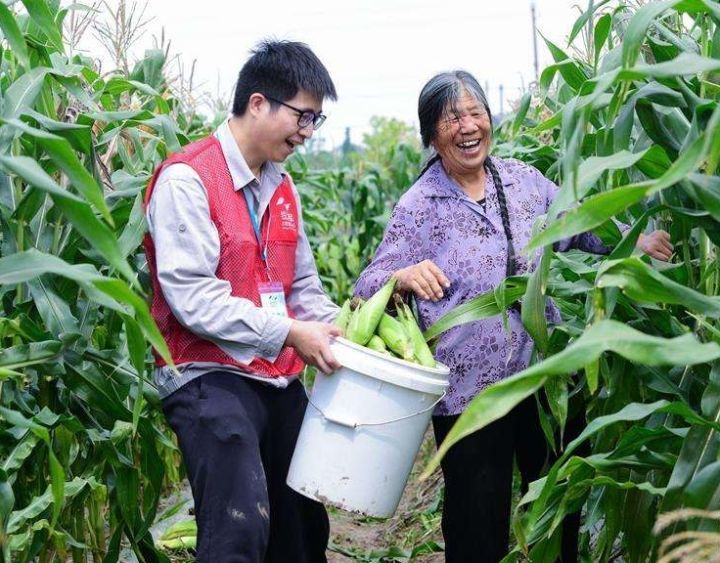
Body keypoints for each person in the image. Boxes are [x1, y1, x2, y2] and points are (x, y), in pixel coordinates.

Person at [353, 70, 673, 563]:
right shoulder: (420, 205)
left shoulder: (524, 181)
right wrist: (404, 276)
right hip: (469, 395)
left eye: (475, 112)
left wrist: (639, 241)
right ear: (431, 135)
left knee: (558, 504)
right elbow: (368, 285)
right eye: (451, 117)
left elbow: (582, 222)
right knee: (476, 520)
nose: (467, 126)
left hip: (543, 379)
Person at [144, 40, 342, 563]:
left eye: (315, 121)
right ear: (258, 103)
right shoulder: (187, 179)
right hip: (206, 373)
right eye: (303, 117)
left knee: (302, 527)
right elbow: (192, 298)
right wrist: (291, 333)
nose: (306, 132)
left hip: (274, 373)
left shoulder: (283, 188)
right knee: (240, 526)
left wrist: (341, 332)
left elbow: (302, 288)